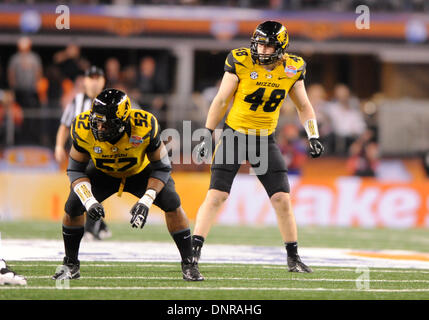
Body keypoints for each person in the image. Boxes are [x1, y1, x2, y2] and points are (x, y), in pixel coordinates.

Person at [193, 21, 324, 273]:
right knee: (217, 195)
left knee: (282, 199)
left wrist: (313, 134)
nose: (262, 50)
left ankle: (293, 257)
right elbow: (221, 100)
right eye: (259, 44)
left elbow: (303, 105)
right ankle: (193, 253)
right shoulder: (240, 60)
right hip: (235, 135)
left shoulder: (292, 67)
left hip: (264, 140)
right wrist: (206, 133)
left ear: (281, 48)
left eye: (268, 45)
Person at [52, 89, 203, 281]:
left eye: (104, 123)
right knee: (73, 207)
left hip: (140, 172)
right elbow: (75, 170)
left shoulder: (144, 125)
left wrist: (146, 201)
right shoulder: (83, 127)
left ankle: (189, 263)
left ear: (122, 122)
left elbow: (163, 168)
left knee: (172, 201)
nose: (98, 127)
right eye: (96, 121)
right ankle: (70, 264)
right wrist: (89, 200)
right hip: (103, 172)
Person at [55, 66, 111, 241]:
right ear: (85, 81)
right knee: (81, 187)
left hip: (101, 152)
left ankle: (91, 228)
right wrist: (58, 146)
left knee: (93, 187)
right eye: (91, 78)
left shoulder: (110, 101)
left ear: (103, 81)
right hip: (80, 152)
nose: (94, 81)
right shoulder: (77, 100)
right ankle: (100, 225)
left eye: (97, 78)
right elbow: (64, 125)